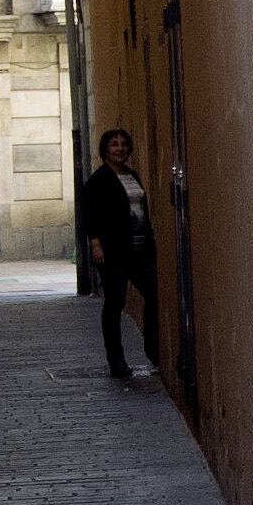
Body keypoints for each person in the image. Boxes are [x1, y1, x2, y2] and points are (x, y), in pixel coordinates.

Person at [82, 128, 161, 379]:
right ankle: (116, 361)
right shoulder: (98, 180)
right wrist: (96, 245)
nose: (120, 149)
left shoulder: (132, 176)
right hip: (114, 252)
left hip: (140, 250)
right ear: (105, 149)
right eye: (114, 145)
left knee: (154, 296)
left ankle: (154, 350)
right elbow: (90, 215)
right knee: (115, 304)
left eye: (124, 144)